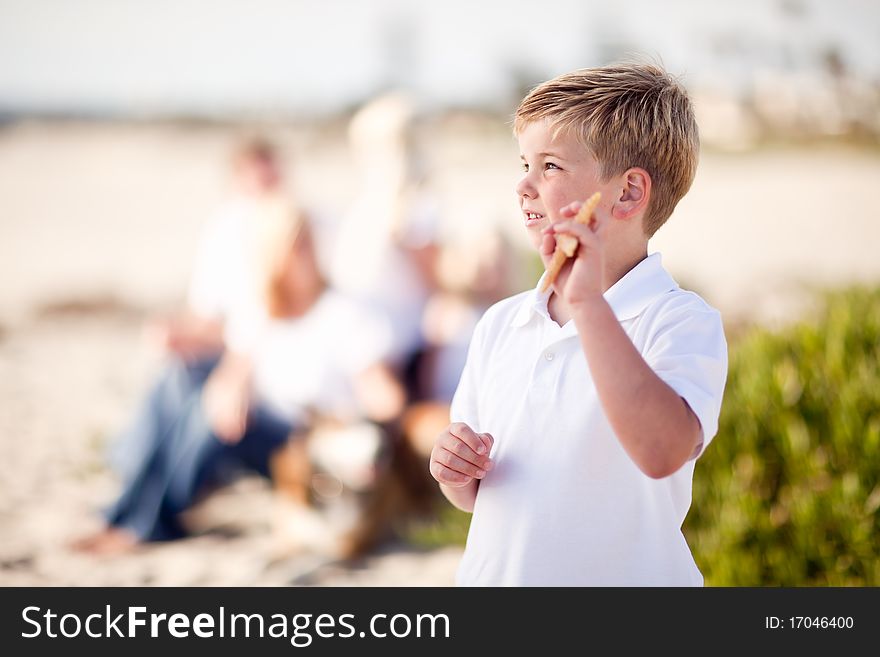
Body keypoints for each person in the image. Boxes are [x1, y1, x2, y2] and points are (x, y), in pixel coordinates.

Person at [429, 62, 729, 586]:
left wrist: (588, 302)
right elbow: (476, 493)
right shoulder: (503, 323)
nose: (523, 185)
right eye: (524, 162)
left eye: (549, 166)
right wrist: (453, 470)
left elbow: (661, 452)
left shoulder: (677, 321)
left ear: (629, 194)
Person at [75, 199, 403, 555]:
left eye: (308, 243)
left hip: (303, 439)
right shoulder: (264, 309)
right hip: (259, 422)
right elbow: (236, 366)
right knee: (178, 378)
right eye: (294, 246)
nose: (304, 256)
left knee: (208, 412)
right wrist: (229, 389)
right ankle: (125, 509)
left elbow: (384, 396)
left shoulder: (343, 313)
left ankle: (145, 523)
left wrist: (367, 430)